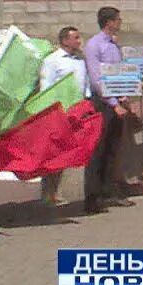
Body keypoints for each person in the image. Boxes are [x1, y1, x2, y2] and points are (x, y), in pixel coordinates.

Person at [82, 6, 134, 214]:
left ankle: (109, 190)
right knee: (98, 150)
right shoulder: (94, 45)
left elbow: (118, 74)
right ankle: (92, 197)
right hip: (102, 102)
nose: (120, 22)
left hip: (117, 100)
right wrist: (113, 103)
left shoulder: (114, 45)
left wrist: (124, 97)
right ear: (109, 22)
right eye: (117, 19)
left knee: (113, 149)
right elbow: (97, 79)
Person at [38, 26, 90, 205]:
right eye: (75, 38)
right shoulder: (53, 60)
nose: (79, 41)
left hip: (78, 111)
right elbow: (47, 86)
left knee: (70, 152)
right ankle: (48, 193)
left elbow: (85, 84)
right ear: (65, 40)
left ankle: (60, 192)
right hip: (59, 112)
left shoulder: (80, 59)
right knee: (53, 154)